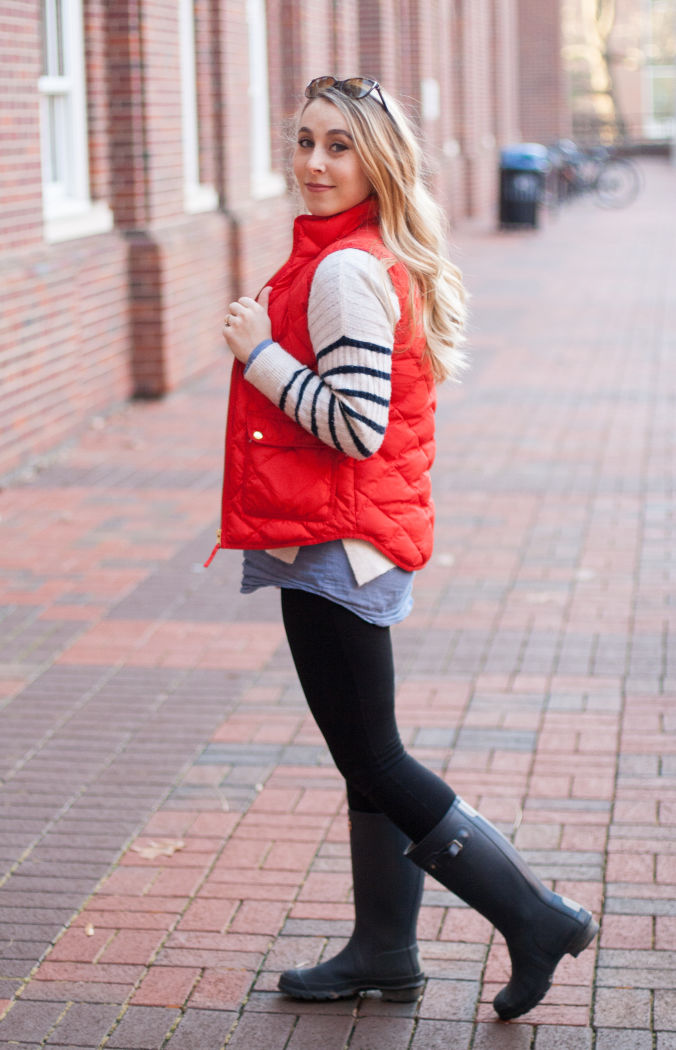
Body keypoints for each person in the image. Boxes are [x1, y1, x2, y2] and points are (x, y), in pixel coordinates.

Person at [215, 74, 598, 1021]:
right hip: (345, 537)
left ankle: (535, 916)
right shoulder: (348, 255)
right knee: (364, 759)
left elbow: (354, 425)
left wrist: (259, 354)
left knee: (377, 758)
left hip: (339, 545)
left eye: (338, 145)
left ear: (377, 161)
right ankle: (384, 948)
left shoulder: (346, 270)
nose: (313, 162)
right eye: (304, 140)